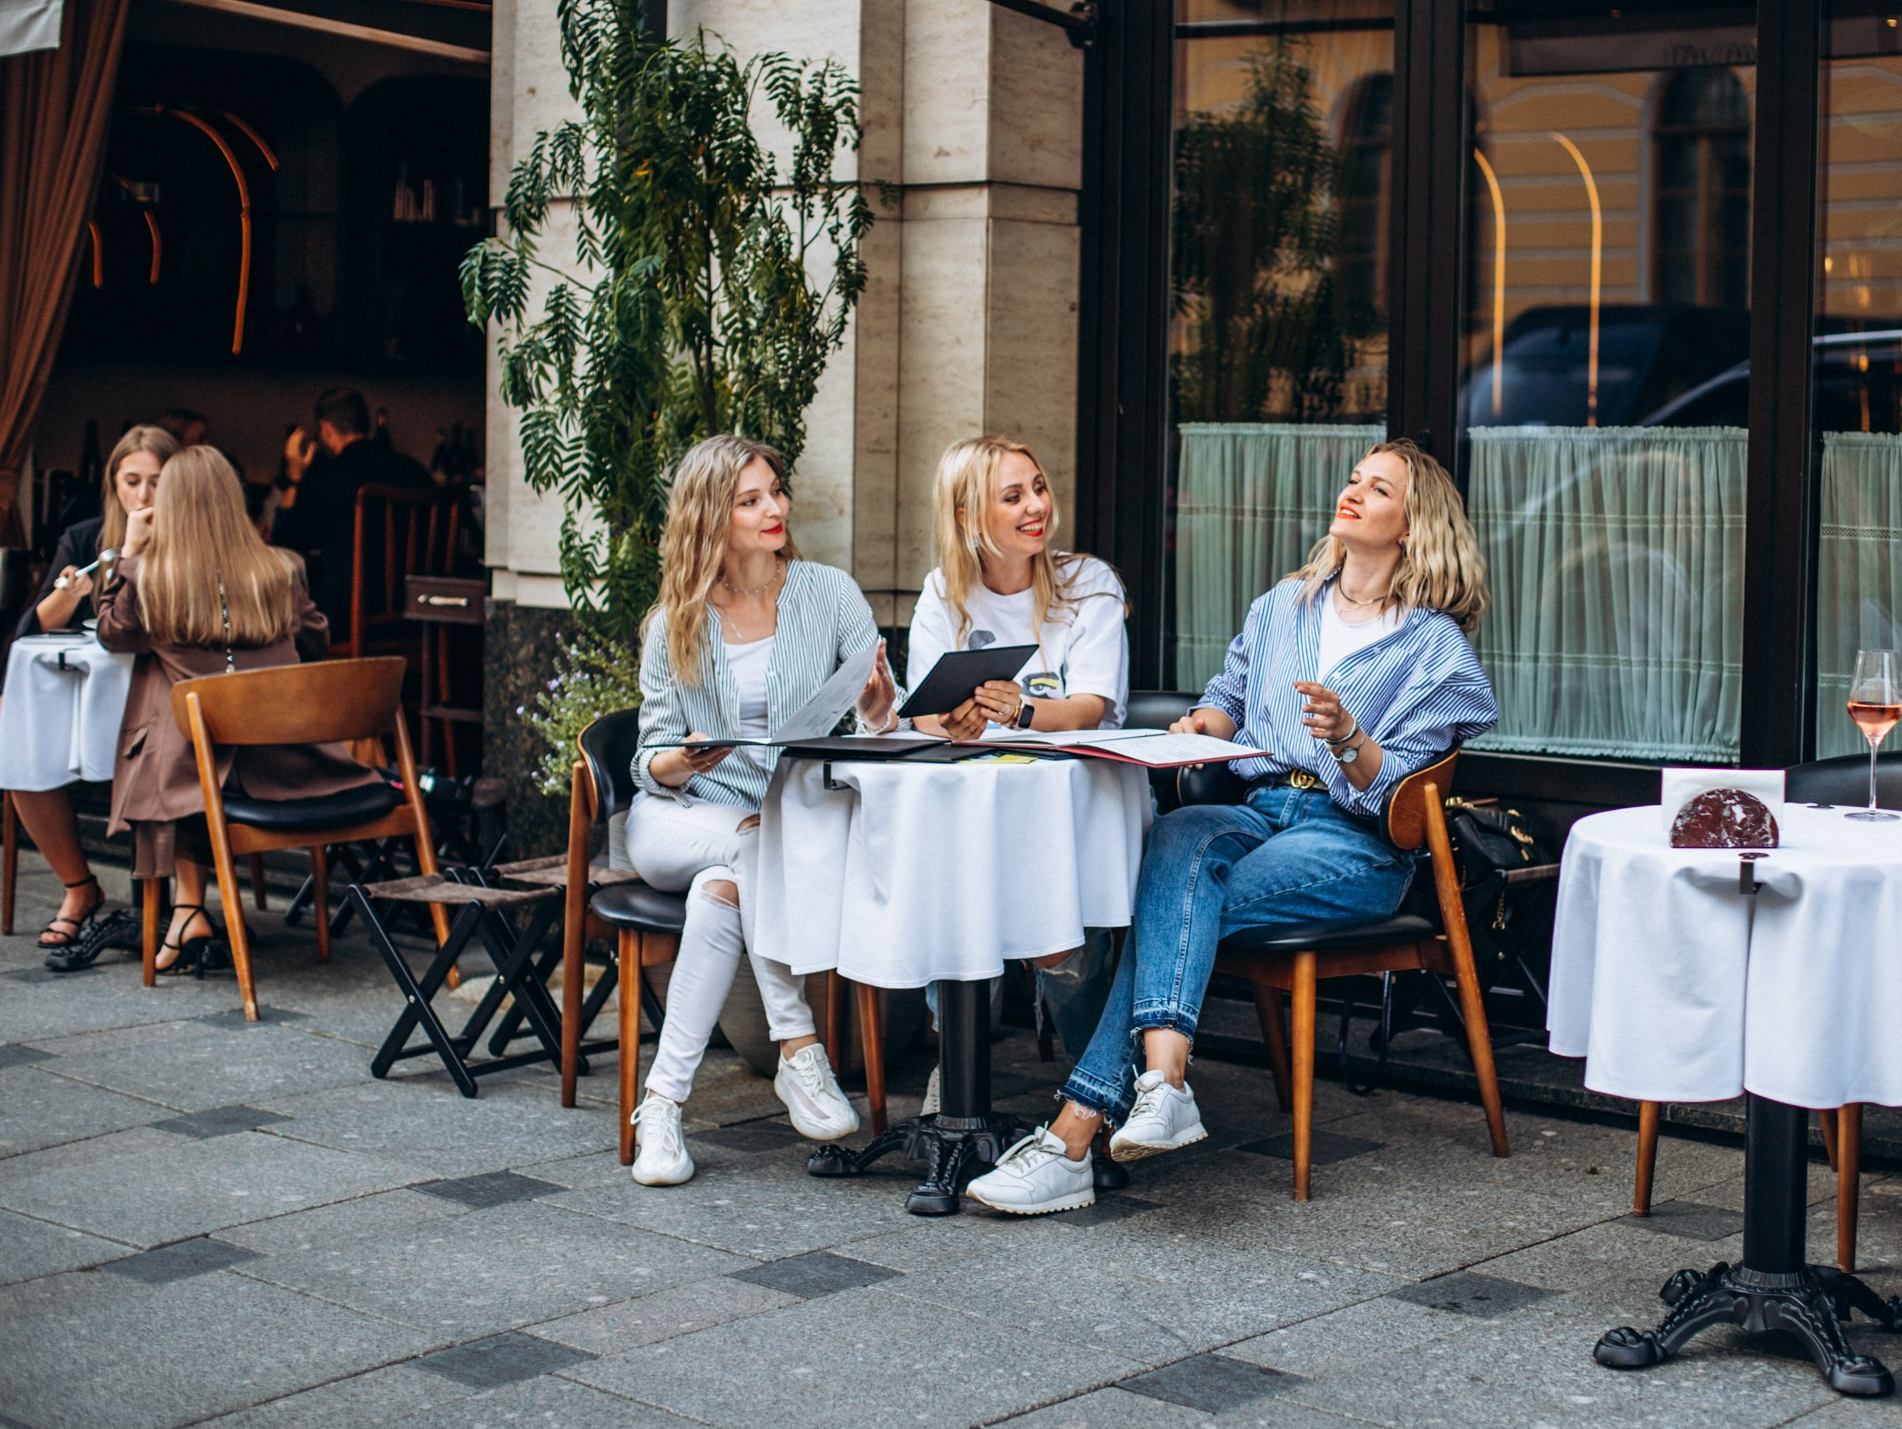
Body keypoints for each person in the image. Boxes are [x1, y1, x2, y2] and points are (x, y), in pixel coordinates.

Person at [967, 438, 1497, 1215]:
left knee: (1173, 907)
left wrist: (1349, 737)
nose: (1353, 492)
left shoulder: (1433, 647)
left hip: (1353, 841)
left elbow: (1404, 798)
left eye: (1379, 489)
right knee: (1178, 838)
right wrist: (1200, 726)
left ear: (1414, 525)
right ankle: (1161, 1086)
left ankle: (1078, 1133)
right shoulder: (1283, 605)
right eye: (1354, 478)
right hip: (1259, 809)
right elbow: (1228, 698)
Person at [624, 436, 899, 1186]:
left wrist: (878, 705)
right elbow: (648, 758)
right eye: (750, 500)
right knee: (749, 844)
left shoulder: (829, 594)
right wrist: (686, 758)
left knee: (723, 893)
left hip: (775, 828)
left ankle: (661, 1108)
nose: (774, 508)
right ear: (711, 515)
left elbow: (886, 718)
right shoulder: (675, 621)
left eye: (774, 491)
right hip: (678, 816)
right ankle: (799, 1047)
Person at [902, 434, 1131, 1112]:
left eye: (1038, 487)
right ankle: (958, 1072)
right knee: (954, 907)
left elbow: (1091, 707)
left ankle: (1101, 1086)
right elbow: (923, 712)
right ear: (969, 517)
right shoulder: (945, 591)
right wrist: (952, 722)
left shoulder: (1088, 583)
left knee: (1063, 939)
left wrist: (1022, 711)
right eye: (1013, 496)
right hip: (979, 796)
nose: (1036, 505)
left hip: (1074, 794)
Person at [96, 446, 378, 975]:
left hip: (206, 777)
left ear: (169, 506)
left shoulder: (152, 580)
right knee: (179, 707)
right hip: (293, 764)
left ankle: (187, 910)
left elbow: (113, 633)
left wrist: (127, 553)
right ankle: (188, 911)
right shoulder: (282, 569)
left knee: (166, 707)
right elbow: (316, 640)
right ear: (234, 501)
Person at [0, 426, 178, 949]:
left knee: (17, 723)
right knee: (20, 739)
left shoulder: (192, 541)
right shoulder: (88, 537)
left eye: (157, 482)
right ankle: (79, 887)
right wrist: (70, 596)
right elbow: (31, 632)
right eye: (132, 481)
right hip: (87, 691)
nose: (143, 495)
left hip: (155, 692)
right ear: (113, 483)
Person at [267, 387, 431, 628]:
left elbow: (282, 544)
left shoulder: (326, 478)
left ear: (325, 428)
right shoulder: (414, 472)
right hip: (417, 616)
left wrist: (294, 477)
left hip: (347, 620)